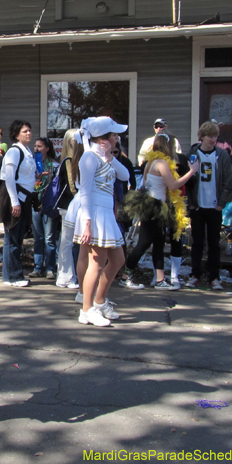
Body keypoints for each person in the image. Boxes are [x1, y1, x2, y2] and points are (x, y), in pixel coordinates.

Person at [73, 117, 130, 326]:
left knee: (118, 260)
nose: (118, 137)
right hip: (94, 214)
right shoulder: (89, 158)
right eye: (114, 134)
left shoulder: (105, 157)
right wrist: (87, 222)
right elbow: (85, 191)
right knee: (96, 263)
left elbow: (124, 176)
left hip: (106, 214)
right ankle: (86, 309)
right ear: (104, 137)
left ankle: (99, 301)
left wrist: (109, 155)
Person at [125, 134, 197, 291]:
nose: (175, 149)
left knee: (158, 243)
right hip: (154, 207)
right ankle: (124, 273)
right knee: (143, 243)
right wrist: (191, 172)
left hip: (153, 205)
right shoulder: (162, 163)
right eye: (173, 145)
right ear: (168, 146)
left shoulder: (151, 161)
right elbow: (173, 185)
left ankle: (159, 279)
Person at [185, 121, 232, 290]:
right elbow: (187, 181)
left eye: (215, 136)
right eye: (210, 136)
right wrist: (190, 204)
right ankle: (195, 274)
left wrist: (221, 203)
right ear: (202, 137)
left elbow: (227, 181)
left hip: (214, 206)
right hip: (198, 206)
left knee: (214, 242)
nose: (213, 139)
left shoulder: (222, 155)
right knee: (197, 241)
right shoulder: (192, 153)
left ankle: (214, 276)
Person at [1, 120, 37, 287]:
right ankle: (13, 276)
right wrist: (15, 202)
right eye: (24, 131)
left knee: (17, 238)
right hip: (15, 199)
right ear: (16, 135)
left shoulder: (27, 151)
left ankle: (12, 274)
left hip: (25, 199)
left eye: (29, 130)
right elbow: (9, 177)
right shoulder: (14, 152)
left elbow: (26, 176)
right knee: (13, 238)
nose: (28, 133)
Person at [28, 137, 60, 280]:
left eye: (40, 146)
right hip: (35, 202)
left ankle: (50, 268)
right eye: (35, 146)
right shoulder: (31, 163)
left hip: (48, 204)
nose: (36, 149)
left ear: (47, 148)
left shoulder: (54, 165)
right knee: (38, 237)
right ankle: (37, 266)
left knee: (49, 238)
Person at [55, 129, 81, 289]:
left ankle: (70, 275)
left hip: (73, 205)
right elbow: (72, 186)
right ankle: (65, 276)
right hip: (68, 206)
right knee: (67, 242)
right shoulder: (68, 161)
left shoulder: (75, 159)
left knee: (71, 242)